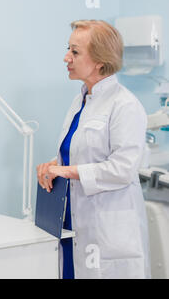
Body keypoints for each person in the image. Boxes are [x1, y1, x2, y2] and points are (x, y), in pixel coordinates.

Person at [36, 20, 150, 279]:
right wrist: (52, 165)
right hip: (72, 224)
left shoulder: (125, 105)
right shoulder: (81, 100)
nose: (67, 57)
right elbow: (80, 154)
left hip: (107, 232)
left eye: (75, 52)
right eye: (69, 49)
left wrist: (66, 171)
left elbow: (122, 169)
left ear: (100, 60)